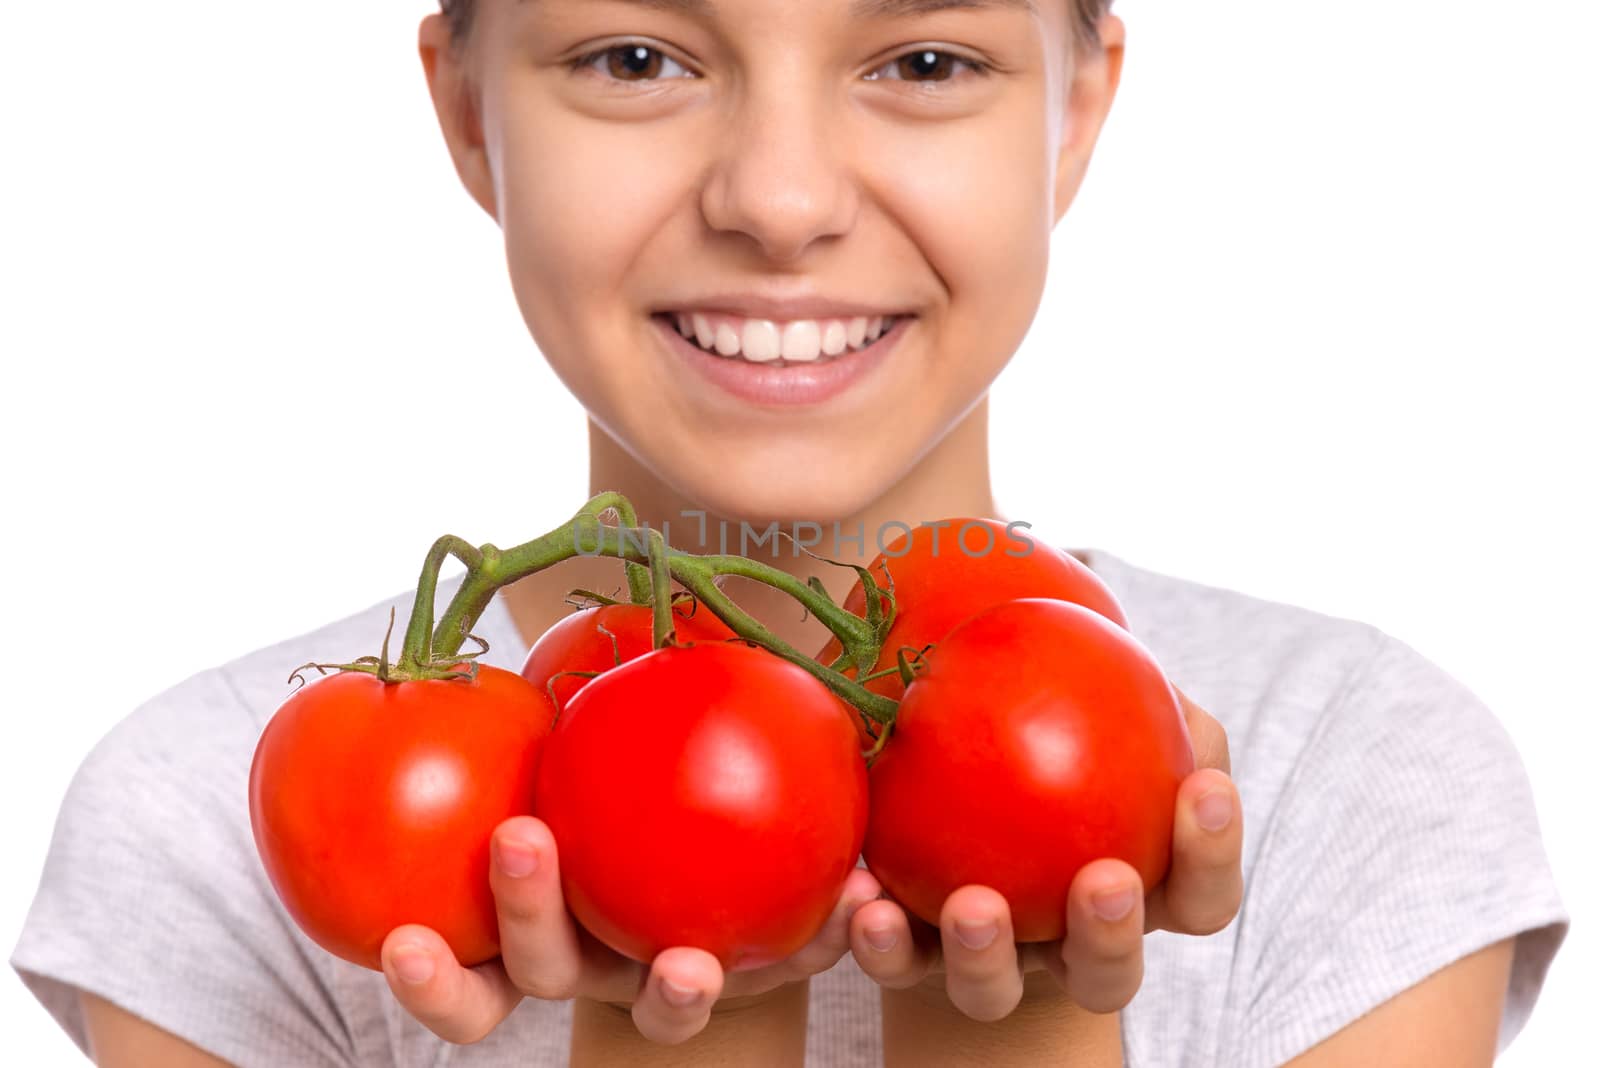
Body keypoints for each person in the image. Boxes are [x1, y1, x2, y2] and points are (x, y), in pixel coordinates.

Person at [12, 1, 1568, 1064]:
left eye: (924, 59)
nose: (779, 196)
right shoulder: (225, 829)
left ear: (1079, 106)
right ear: (468, 114)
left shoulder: (1350, 771)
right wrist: (691, 997)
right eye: (634, 56)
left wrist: (1015, 1023)